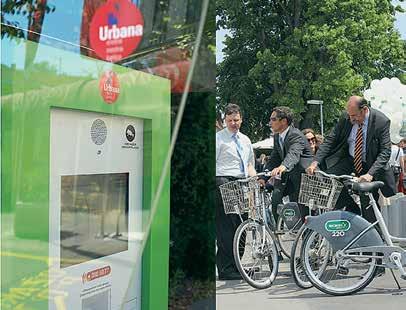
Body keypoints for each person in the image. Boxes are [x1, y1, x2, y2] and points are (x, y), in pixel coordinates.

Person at [306, 96, 396, 224]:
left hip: (370, 165)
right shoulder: (346, 118)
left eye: (354, 116)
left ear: (364, 110)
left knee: (368, 208)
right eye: (349, 115)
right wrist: (315, 162)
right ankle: (353, 209)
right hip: (350, 160)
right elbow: (331, 140)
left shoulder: (381, 121)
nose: (351, 119)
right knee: (326, 179)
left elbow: (385, 152)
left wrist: (370, 174)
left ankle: (373, 238)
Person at [216, 103, 256, 280]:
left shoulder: (246, 140)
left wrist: (257, 180)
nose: (233, 123)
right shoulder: (218, 139)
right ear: (225, 120)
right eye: (230, 120)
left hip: (242, 182)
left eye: (236, 120)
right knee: (226, 226)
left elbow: (249, 164)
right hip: (224, 181)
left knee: (242, 224)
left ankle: (236, 265)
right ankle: (225, 269)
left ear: (241, 119)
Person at [260, 106, 313, 224]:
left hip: (303, 178)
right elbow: (274, 158)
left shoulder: (295, 134)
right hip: (288, 178)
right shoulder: (277, 136)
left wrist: (283, 166)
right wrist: (263, 178)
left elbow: (294, 153)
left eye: (273, 119)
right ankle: (279, 231)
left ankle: (309, 237)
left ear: (283, 121)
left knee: (305, 212)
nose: (270, 123)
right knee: (275, 200)